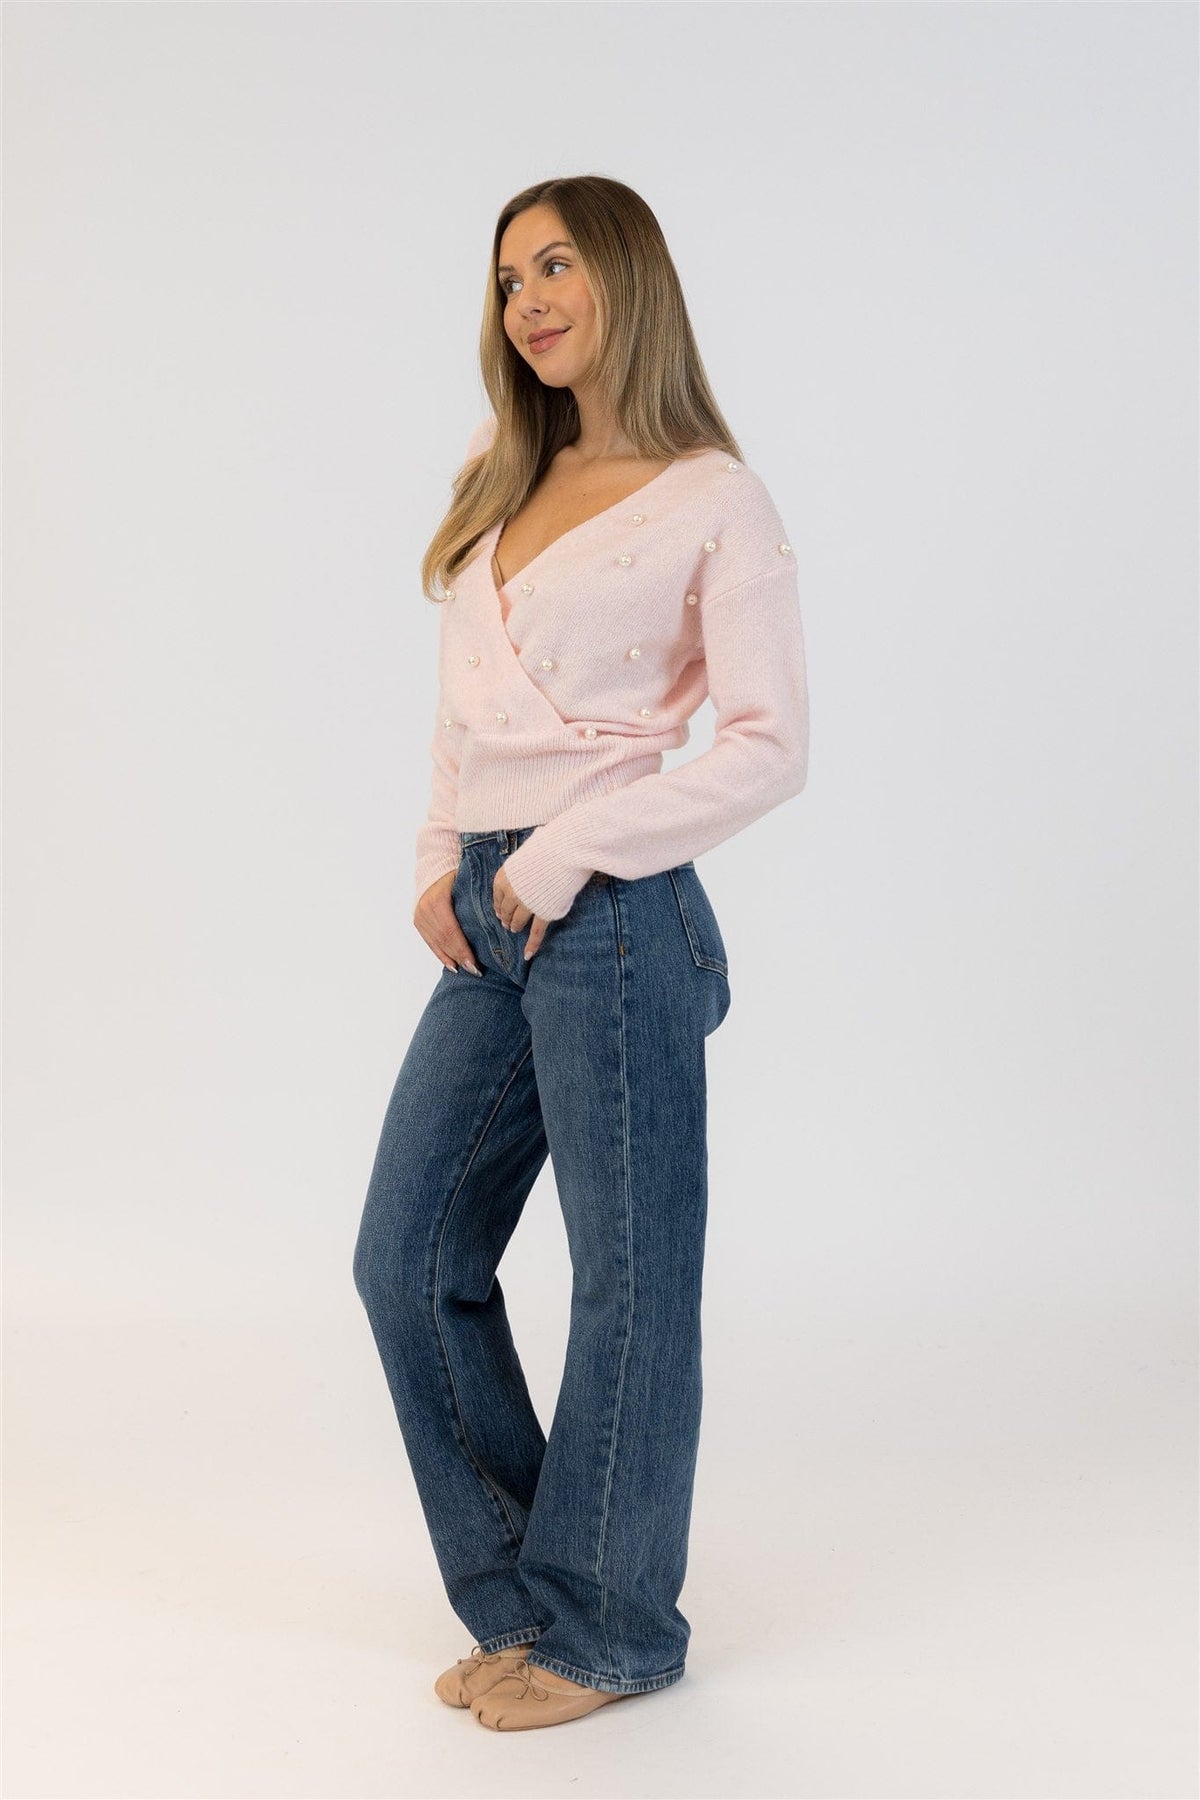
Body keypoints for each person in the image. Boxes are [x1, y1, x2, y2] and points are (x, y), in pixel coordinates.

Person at [353, 174, 810, 1733]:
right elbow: (461, 711)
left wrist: (561, 854)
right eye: (506, 279)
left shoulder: (715, 497)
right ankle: (531, 1601)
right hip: (492, 908)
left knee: (628, 1275)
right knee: (407, 1258)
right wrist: (444, 860)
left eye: (554, 265)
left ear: (626, 274)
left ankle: (612, 1630)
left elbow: (769, 744)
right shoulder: (502, 474)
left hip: (612, 908)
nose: (527, 301)